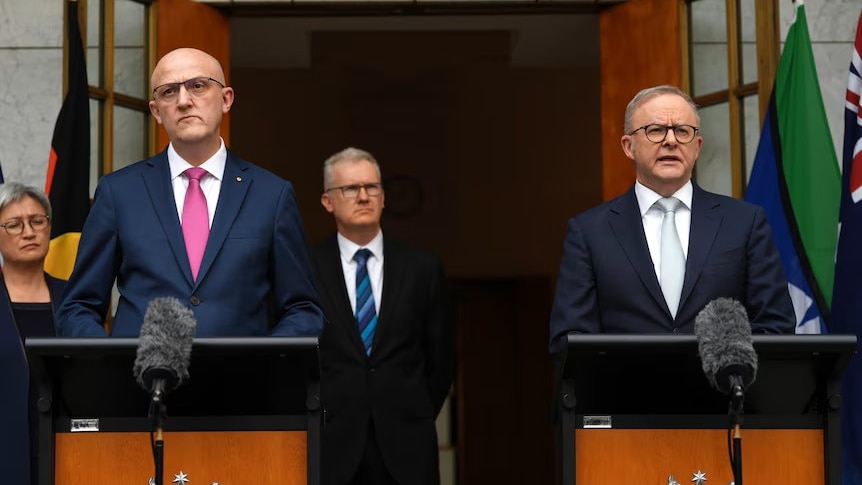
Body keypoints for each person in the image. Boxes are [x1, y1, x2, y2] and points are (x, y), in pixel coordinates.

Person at [56, 47, 323, 337]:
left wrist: (263, 366)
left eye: (198, 86)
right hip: (140, 379)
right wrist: (112, 366)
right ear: (156, 111)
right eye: (169, 92)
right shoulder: (118, 192)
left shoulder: (272, 195)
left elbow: (302, 309)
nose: (184, 101)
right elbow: (78, 307)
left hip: (242, 379)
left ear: (226, 99)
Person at [549, 85, 795, 358]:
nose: (671, 141)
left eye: (682, 131)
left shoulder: (745, 223)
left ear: (697, 146)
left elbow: (776, 327)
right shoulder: (589, 232)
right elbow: (570, 339)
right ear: (628, 146)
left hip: (720, 397)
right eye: (655, 130)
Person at [309, 147, 453, 485]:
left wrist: (410, 412)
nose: (363, 196)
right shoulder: (305, 269)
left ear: (384, 197)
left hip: (407, 447)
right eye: (350, 188)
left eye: (372, 187)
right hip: (331, 445)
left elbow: (442, 361)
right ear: (327, 201)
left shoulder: (422, 268)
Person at [0, 183, 65, 484]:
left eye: (37, 221)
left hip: (65, 450)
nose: (28, 232)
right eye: (14, 225)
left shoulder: (74, 299)